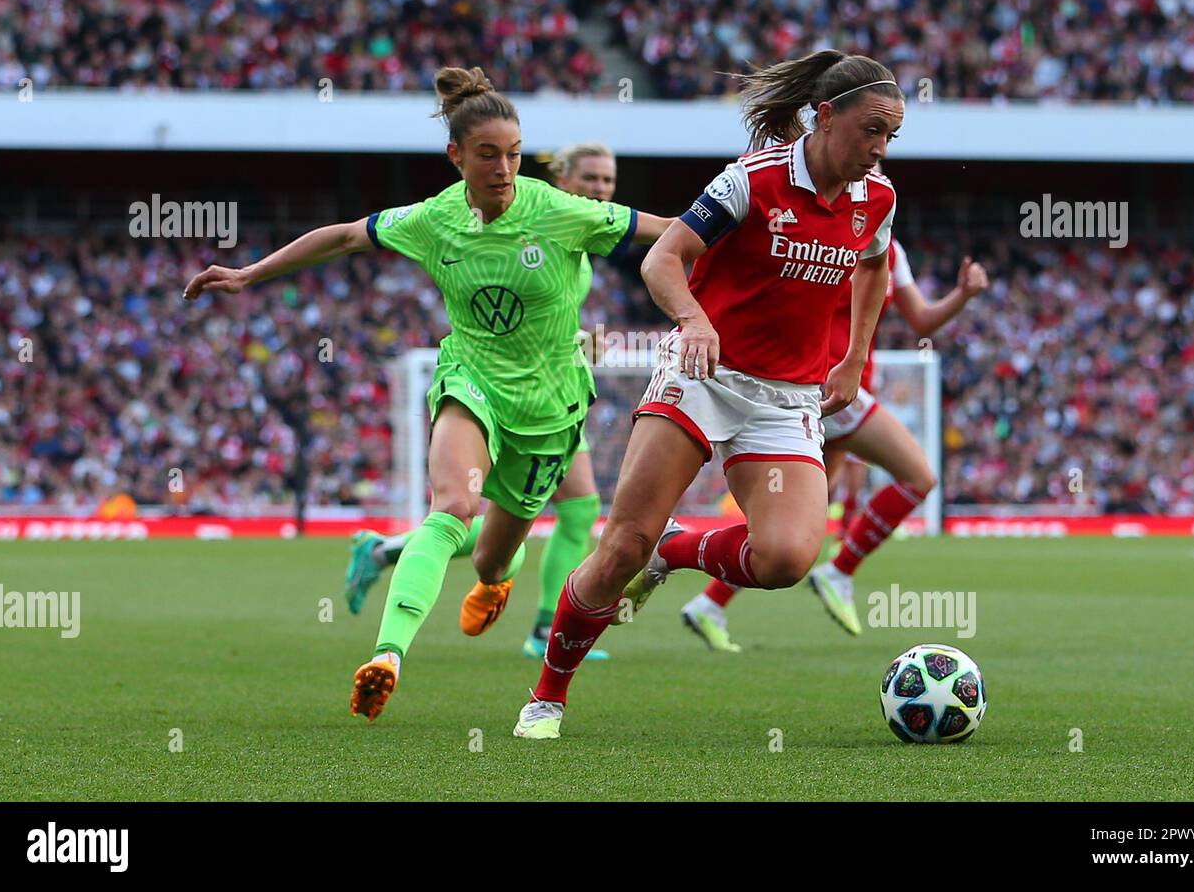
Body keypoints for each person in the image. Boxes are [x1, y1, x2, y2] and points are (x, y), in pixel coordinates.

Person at [183, 67, 673, 722]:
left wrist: (750, 234)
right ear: (456, 157)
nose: (503, 168)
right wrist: (250, 273)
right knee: (451, 506)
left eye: (514, 154)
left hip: (550, 410)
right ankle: (388, 655)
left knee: (494, 554)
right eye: (488, 155)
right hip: (471, 381)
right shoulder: (435, 219)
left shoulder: (560, 212)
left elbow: (673, 230)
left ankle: (497, 577)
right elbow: (346, 235)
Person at [513, 50, 903, 740]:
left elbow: (873, 269)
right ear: (826, 115)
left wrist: (854, 358)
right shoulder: (751, 181)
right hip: (704, 377)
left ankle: (677, 549)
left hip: (787, 399)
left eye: (890, 137)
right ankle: (547, 695)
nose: (878, 150)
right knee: (621, 546)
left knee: (785, 559)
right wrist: (693, 319)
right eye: (871, 130)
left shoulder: (877, 198)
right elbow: (665, 257)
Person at [345, 141, 622, 662]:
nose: (601, 189)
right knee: (493, 510)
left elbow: (541, 317)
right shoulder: (530, 222)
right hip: (504, 390)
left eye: (608, 181)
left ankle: (388, 550)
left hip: (554, 392)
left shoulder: (579, 242)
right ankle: (542, 627)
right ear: (564, 181)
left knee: (574, 509)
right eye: (591, 179)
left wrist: (582, 339)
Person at [680, 240, 990, 651]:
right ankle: (840, 570)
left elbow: (921, 321)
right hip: (819, 384)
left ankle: (709, 601)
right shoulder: (822, 232)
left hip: (843, 388)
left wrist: (962, 295)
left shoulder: (890, 248)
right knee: (918, 476)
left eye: (876, 169)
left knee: (799, 516)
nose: (869, 174)